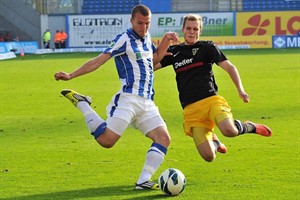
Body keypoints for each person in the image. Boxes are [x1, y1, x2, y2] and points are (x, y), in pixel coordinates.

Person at [54, 5, 178, 189]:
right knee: (106, 141)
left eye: (147, 23)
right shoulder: (124, 39)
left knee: (163, 138)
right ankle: (83, 104)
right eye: (140, 23)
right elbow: (98, 60)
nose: (144, 27)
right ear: (131, 21)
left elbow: (153, 60)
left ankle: (143, 180)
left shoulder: (147, 38)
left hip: (147, 102)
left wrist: (166, 40)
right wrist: (71, 75)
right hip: (128, 99)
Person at [155, 14, 272, 162]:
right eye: (189, 28)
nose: (192, 32)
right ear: (183, 29)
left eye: (195, 29)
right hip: (192, 111)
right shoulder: (174, 51)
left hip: (211, 102)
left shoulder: (207, 47)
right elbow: (151, 66)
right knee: (209, 156)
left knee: (229, 131)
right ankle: (215, 141)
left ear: (200, 31)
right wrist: (161, 48)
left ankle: (249, 126)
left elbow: (230, 67)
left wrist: (240, 90)